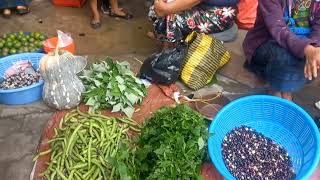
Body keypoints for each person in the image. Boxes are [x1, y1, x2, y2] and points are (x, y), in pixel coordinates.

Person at [243, 0, 320, 101]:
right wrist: (306, 48)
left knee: (309, 60)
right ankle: (278, 93)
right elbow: (278, 29)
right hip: (267, 42)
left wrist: (314, 47)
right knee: (286, 58)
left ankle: (283, 92)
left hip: (303, 44)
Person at [148, 0, 237, 44]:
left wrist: (167, 8)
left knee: (173, 20)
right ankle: (162, 37)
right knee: (155, 9)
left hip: (220, 12)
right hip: (200, 4)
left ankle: (170, 53)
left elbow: (166, 9)